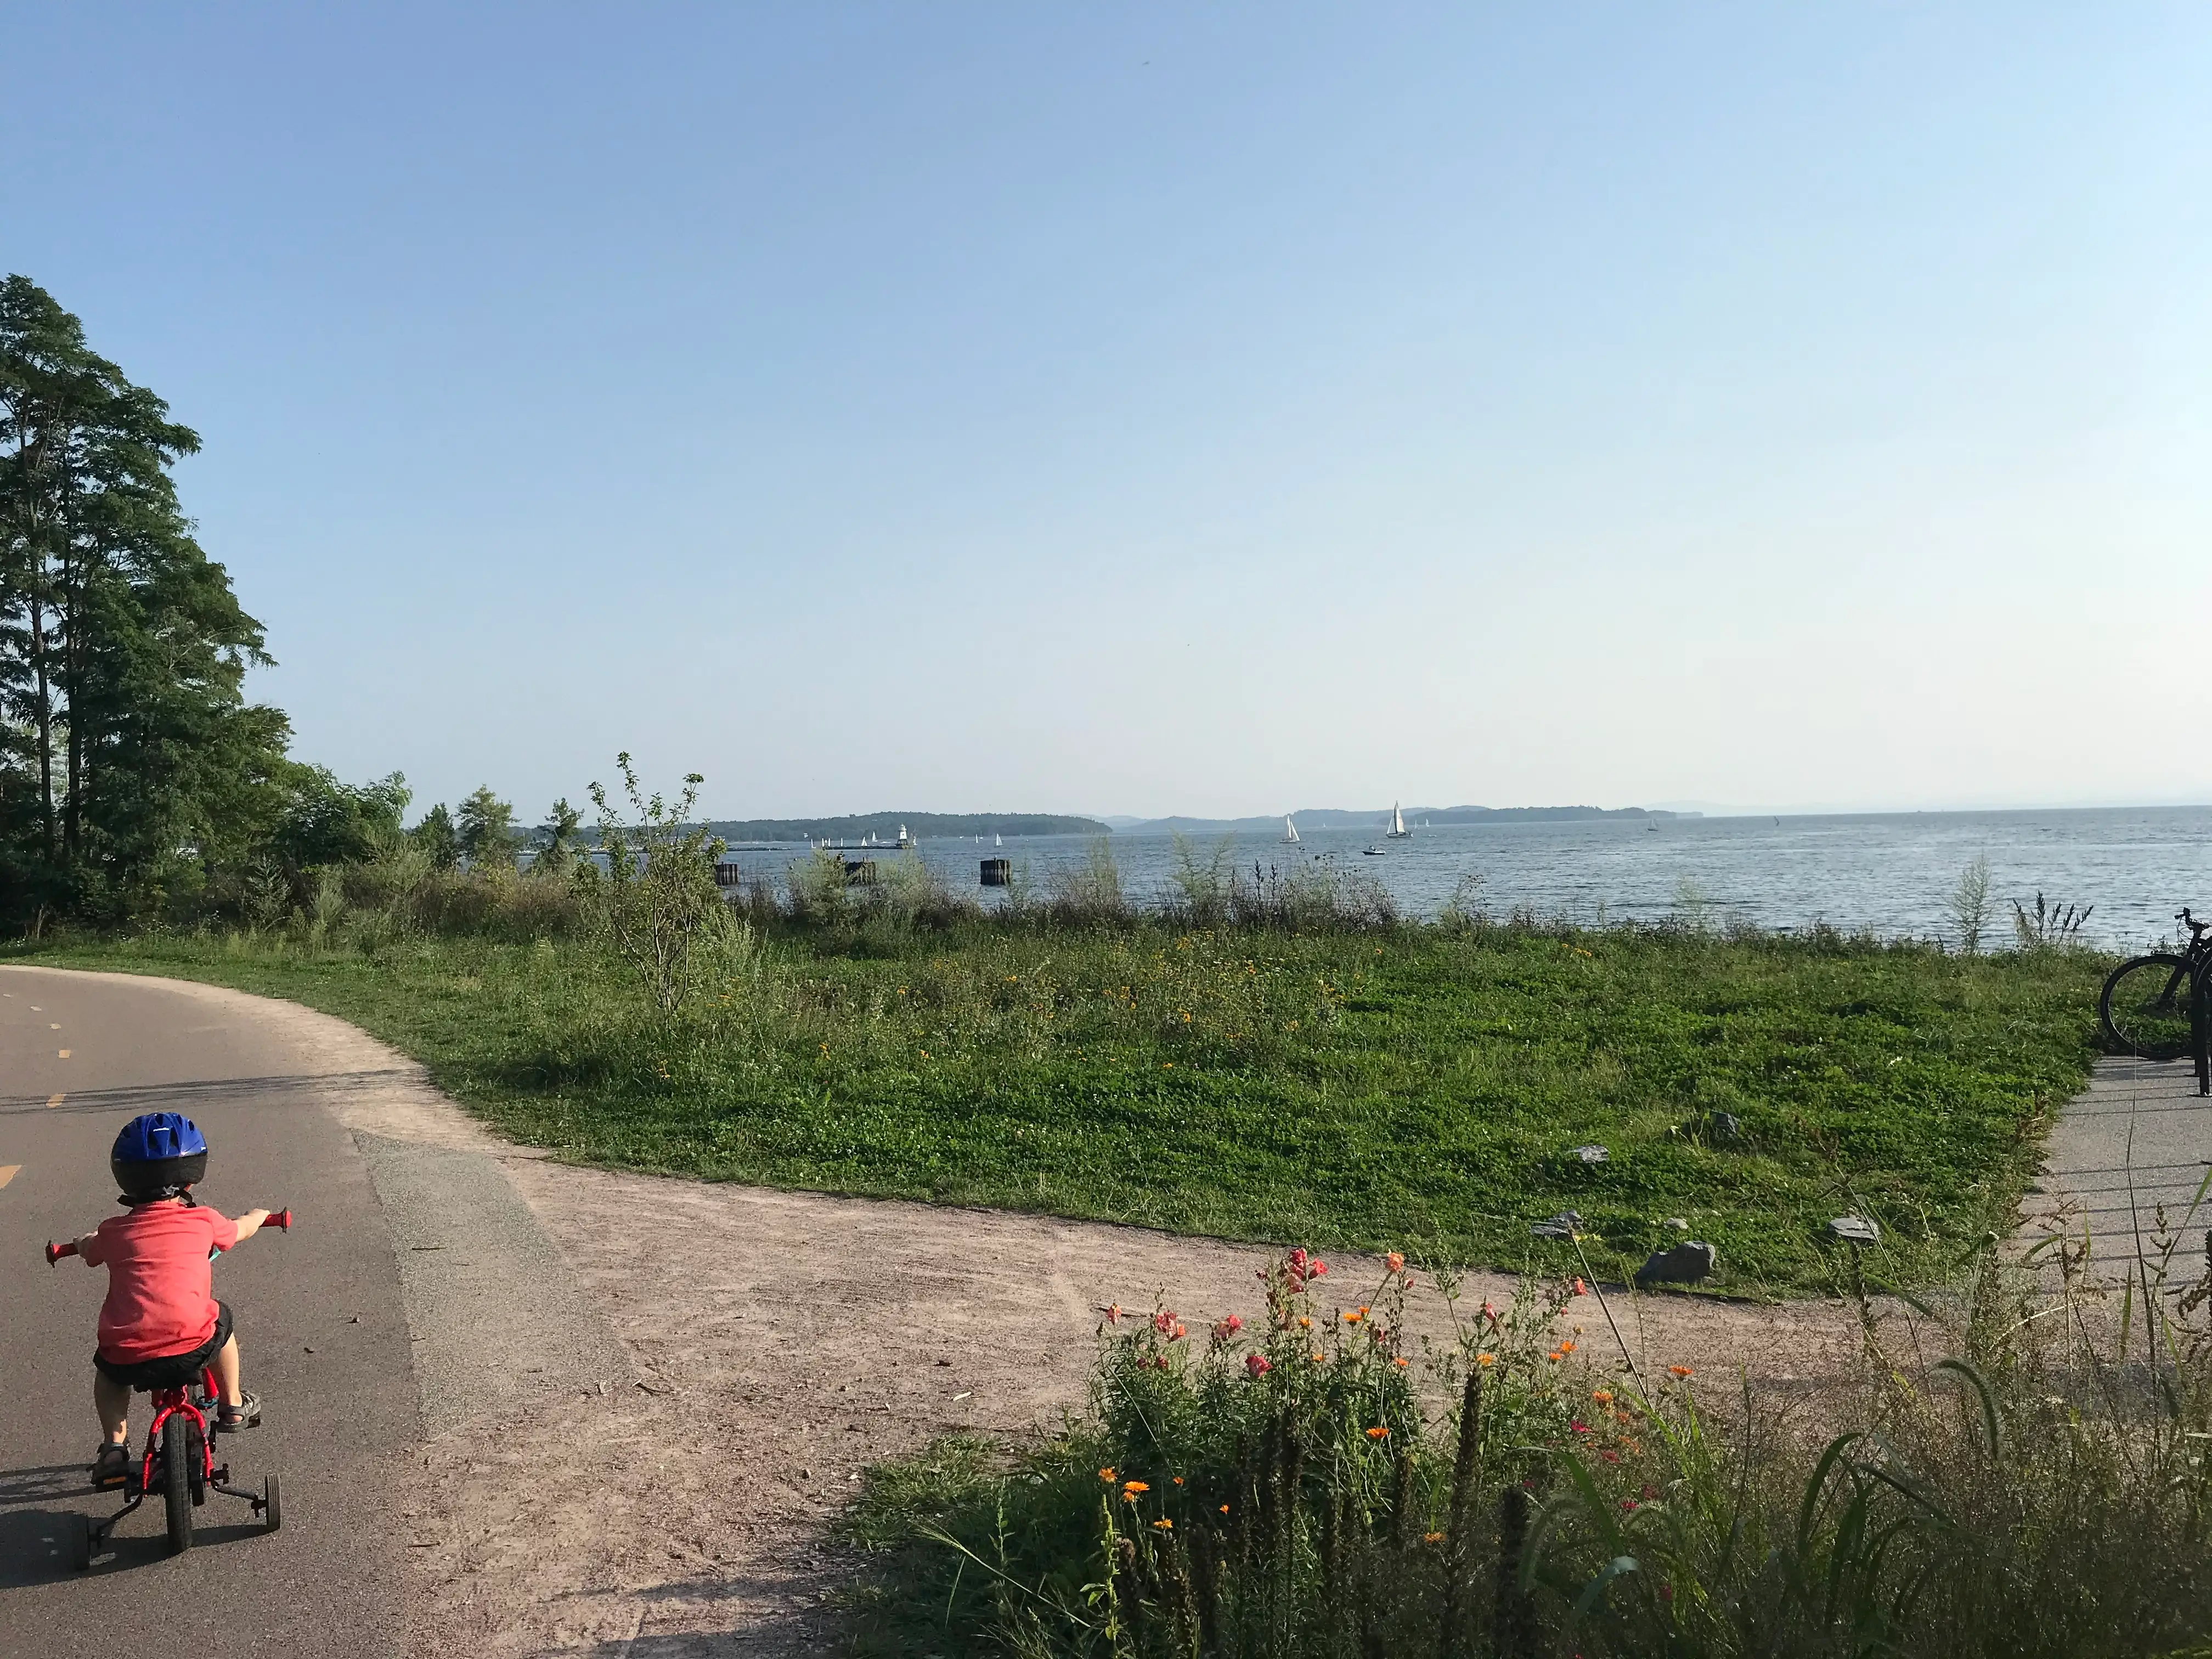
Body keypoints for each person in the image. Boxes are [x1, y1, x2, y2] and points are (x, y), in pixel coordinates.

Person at [69, 1112, 274, 1487]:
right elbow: (239, 1231)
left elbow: (90, 1250)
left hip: (127, 1353)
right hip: (192, 1343)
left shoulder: (112, 1231)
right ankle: (231, 1406)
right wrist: (256, 1217)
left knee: (108, 1371)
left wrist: (83, 1242)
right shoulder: (203, 1220)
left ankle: (114, 1447)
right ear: (192, 1176)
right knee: (222, 1323)